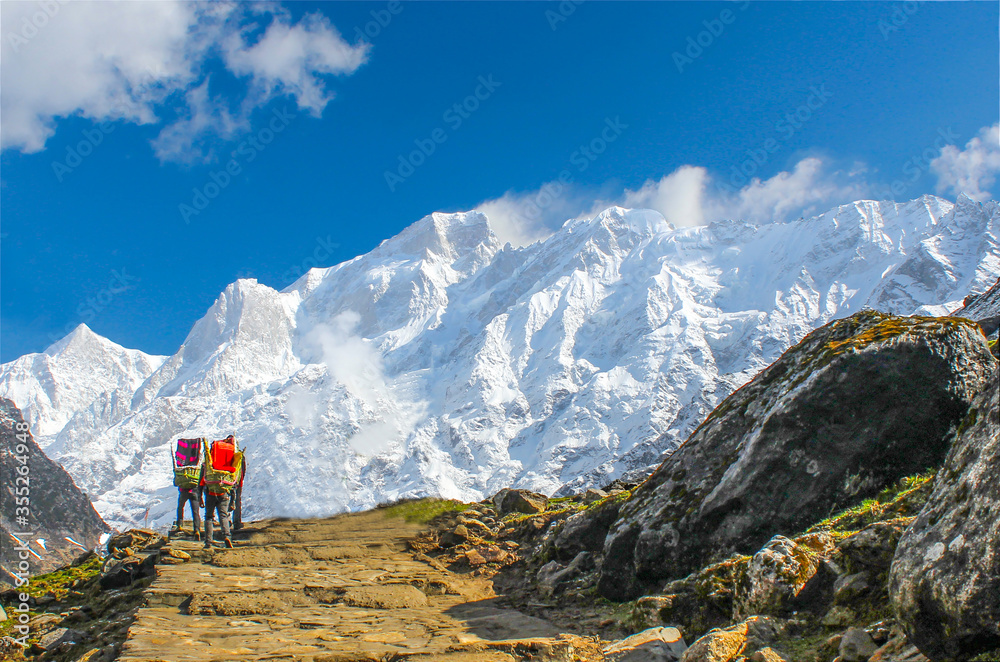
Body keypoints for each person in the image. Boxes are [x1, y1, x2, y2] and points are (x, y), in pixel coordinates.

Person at [199, 435, 239, 549]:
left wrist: (200, 496)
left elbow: (201, 481)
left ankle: (208, 542)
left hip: (210, 492)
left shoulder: (208, 465)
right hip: (224, 493)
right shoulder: (230, 464)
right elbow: (233, 483)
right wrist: (233, 500)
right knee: (223, 516)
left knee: (209, 517)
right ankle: (227, 536)